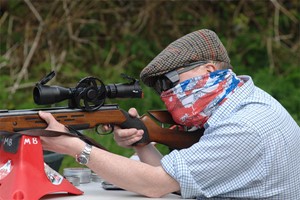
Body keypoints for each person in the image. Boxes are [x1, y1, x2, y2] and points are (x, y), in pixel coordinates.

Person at [39, 29, 300, 199]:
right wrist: (142, 142)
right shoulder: (245, 102)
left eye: (169, 81)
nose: (167, 94)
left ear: (208, 71)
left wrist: (74, 147)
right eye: (160, 87)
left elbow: (156, 184)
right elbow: (178, 179)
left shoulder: (244, 126)